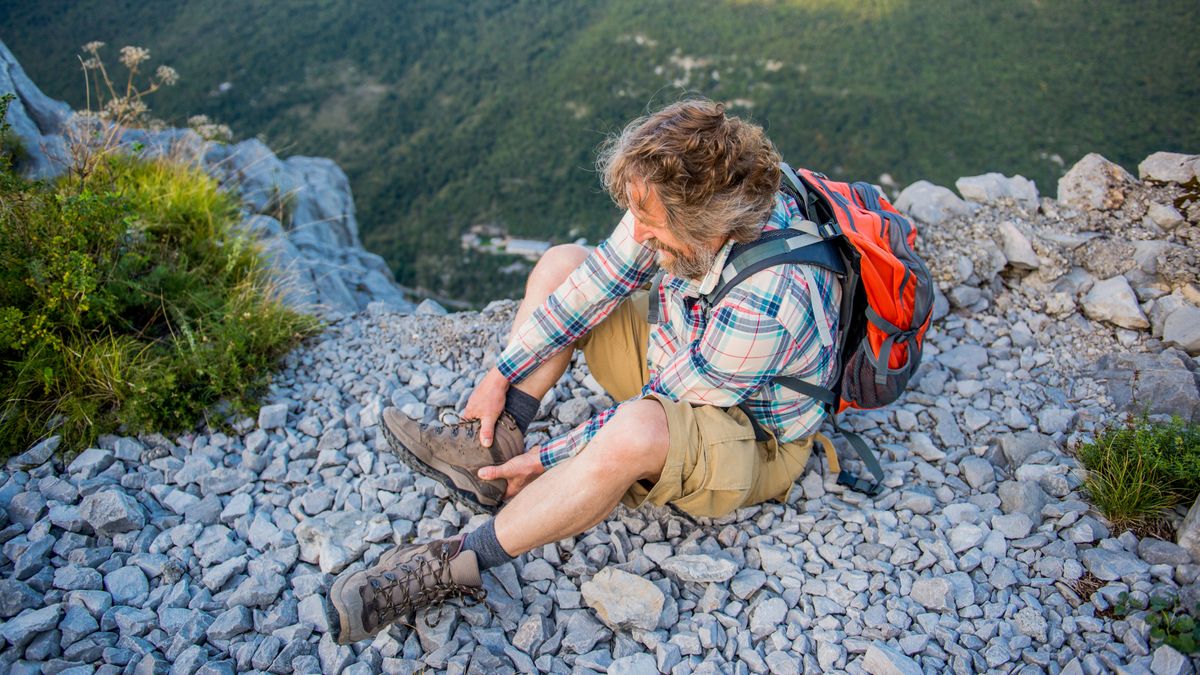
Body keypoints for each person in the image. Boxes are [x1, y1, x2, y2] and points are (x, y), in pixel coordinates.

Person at [326, 98, 841, 645]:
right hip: (684, 349)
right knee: (562, 265)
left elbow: (656, 401)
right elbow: (598, 281)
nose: (637, 233)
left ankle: (455, 562)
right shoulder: (683, 190)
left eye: (652, 226)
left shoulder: (768, 300)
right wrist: (502, 373)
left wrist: (544, 462)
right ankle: (493, 446)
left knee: (635, 431)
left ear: (707, 229)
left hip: (749, 435)